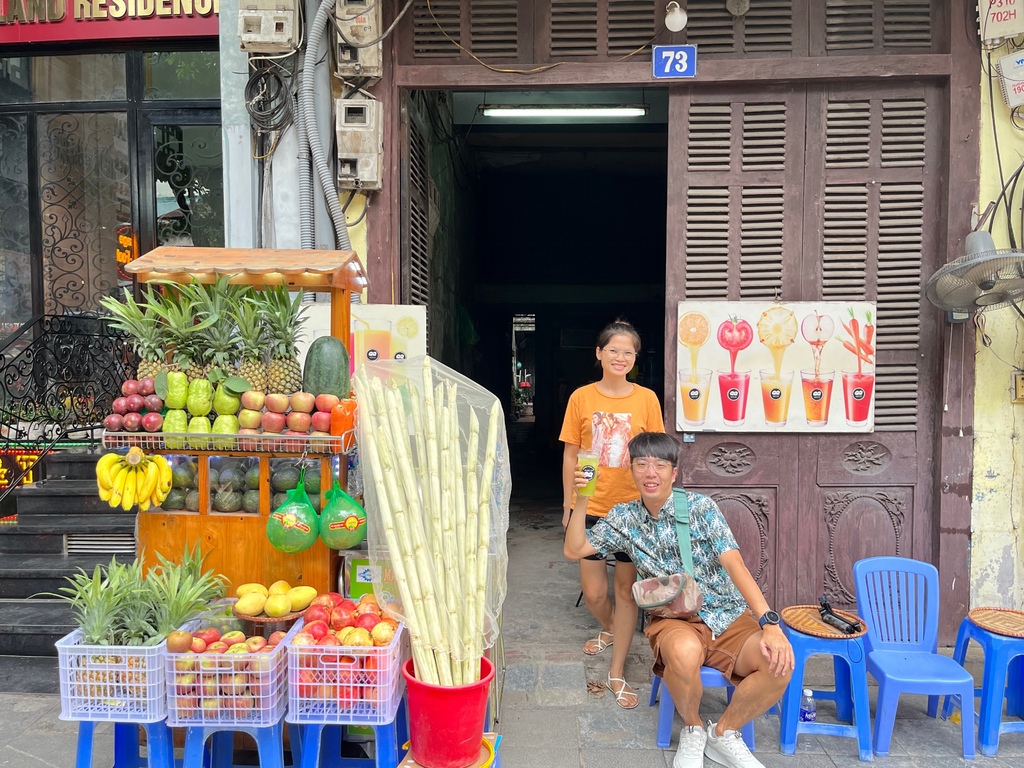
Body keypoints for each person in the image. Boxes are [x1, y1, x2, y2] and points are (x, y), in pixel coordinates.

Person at [564, 431, 794, 768]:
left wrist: (769, 623)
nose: (650, 473)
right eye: (641, 464)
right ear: (632, 471)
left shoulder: (702, 508)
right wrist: (581, 496)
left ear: (674, 473)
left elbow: (735, 565)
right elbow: (574, 550)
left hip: (727, 616)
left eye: (659, 465)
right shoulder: (625, 518)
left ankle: (724, 733)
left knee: (777, 663)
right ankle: (693, 728)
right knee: (684, 655)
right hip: (674, 621)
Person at [559, 320, 664, 709]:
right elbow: (572, 453)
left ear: (635, 358)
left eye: (628, 352)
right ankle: (608, 627)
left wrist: (656, 506)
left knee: (625, 591)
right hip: (592, 506)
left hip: (633, 510)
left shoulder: (647, 399)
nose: (620, 357)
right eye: (614, 350)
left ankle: (616, 669)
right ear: (599, 354)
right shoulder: (581, 398)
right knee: (595, 592)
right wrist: (569, 505)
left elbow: (656, 453)